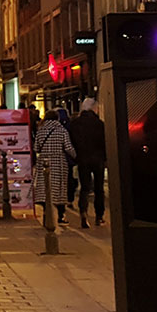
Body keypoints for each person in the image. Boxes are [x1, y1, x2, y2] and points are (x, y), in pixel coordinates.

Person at [33, 107, 76, 224]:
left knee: (45, 188)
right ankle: (61, 215)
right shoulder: (62, 130)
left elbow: (36, 148)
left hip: (44, 162)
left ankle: (46, 212)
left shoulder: (40, 131)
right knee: (59, 190)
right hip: (59, 163)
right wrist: (76, 156)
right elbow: (68, 147)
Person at [69, 97, 107, 227]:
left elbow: (71, 142)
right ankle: (99, 216)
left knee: (84, 187)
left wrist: (76, 156)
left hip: (82, 158)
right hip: (98, 158)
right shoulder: (99, 124)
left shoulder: (75, 124)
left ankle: (83, 212)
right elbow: (104, 142)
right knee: (98, 188)